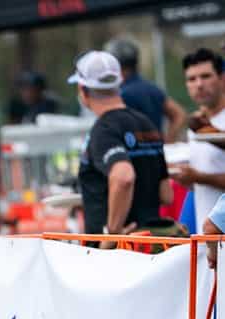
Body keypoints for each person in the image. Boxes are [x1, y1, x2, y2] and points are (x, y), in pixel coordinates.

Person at [68, 51, 172, 240]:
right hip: (152, 245)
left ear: (83, 90)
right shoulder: (146, 123)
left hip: (119, 253)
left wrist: (112, 232)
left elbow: (123, 177)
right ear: (119, 83)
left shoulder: (103, 129)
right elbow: (166, 194)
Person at [170, 48, 225, 233]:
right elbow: (200, 183)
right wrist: (186, 178)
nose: (199, 84)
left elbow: (202, 176)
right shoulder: (196, 124)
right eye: (192, 79)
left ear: (222, 78)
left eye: (206, 76)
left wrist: (199, 177)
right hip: (206, 234)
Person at [106, 38, 186, 143]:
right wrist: (167, 142)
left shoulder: (122, 95)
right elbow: (179, 114)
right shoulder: (152, 88)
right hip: (155, 153)